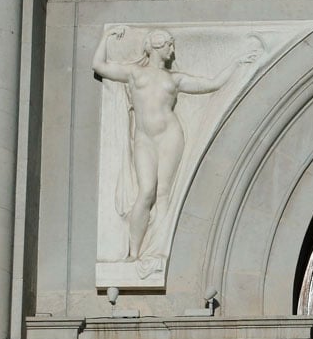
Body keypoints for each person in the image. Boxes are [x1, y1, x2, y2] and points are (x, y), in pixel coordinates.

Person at [92, 27, 259, 262]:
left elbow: (211, 84)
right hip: (145, 138)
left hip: (170, 136)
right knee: (146, 191)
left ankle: (157, 250)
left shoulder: (175, 78)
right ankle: (133, 253)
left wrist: (237, 62)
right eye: (169, 45)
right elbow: (99, 66)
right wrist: (105, 36)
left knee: (163, 194)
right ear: (157, 46)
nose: (172, 49)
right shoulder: (134, 73)